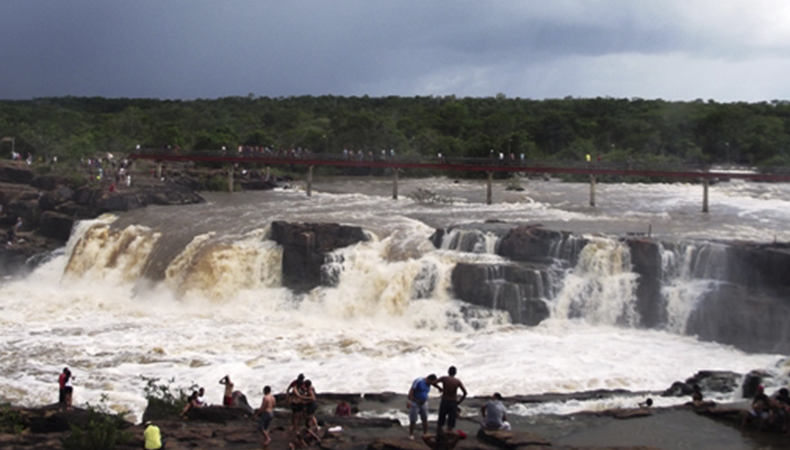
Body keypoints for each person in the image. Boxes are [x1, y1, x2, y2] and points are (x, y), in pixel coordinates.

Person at [434, 366, 467, 433]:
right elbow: (465, 393)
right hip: (453, 401)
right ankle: (448, 435)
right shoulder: (457, 381)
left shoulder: (444, 378)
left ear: (448, 371)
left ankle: (439, 436)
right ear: (455, 373)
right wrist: (459, 401)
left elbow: (433, 382)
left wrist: (440, 388)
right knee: (451, 422)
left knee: (441, 420)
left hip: (445, 400)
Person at [407, 373, 439, 439]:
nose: (431, 384)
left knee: (425, 419)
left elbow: (434, 384)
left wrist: (440, 388)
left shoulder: (430, 383)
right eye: (430, 382)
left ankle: (425, 433)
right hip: (415, 402)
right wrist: (409, 400)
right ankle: (411, 434)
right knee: (413, 420)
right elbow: (412, 389)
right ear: (428, 379)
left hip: (424, 402)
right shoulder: (419, 381)